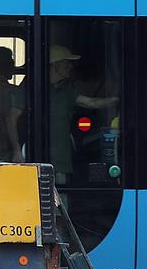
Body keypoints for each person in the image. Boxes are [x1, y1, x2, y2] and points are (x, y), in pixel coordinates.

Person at [48, 45, 116, 183]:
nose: (70, 67)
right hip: (37, 159)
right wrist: (17, 150)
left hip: (61, 160)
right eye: (67, 63)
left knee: (62, 200)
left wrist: (118, 100)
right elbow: (13, 116)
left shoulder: (66, 90)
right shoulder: (32, 86)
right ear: (55, 65)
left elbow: (91, 103)